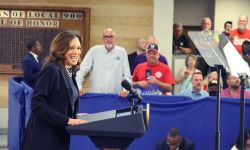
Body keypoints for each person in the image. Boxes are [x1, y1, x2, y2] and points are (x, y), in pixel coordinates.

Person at [21, 31, 87, 150]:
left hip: (60, 138)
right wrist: (68, 120)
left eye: (78, 48)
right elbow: (37, 105)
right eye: (71, 48)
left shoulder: (69, 71)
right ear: (61, 49)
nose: (76, 52)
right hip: (44, 140)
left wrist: (73, 116)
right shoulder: (51, 70)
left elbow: (58, 103)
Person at [76, 28, 131, 95]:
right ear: (102, 38)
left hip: (116, 96)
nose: (108, 39)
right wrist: (78, 88)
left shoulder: (122, 52)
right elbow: (81, 70)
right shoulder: (94, 50)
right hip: (96, 95)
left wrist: (125, 90)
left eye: (111, 36)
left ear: (115, 38)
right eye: (106, 37)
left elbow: (127, 75)